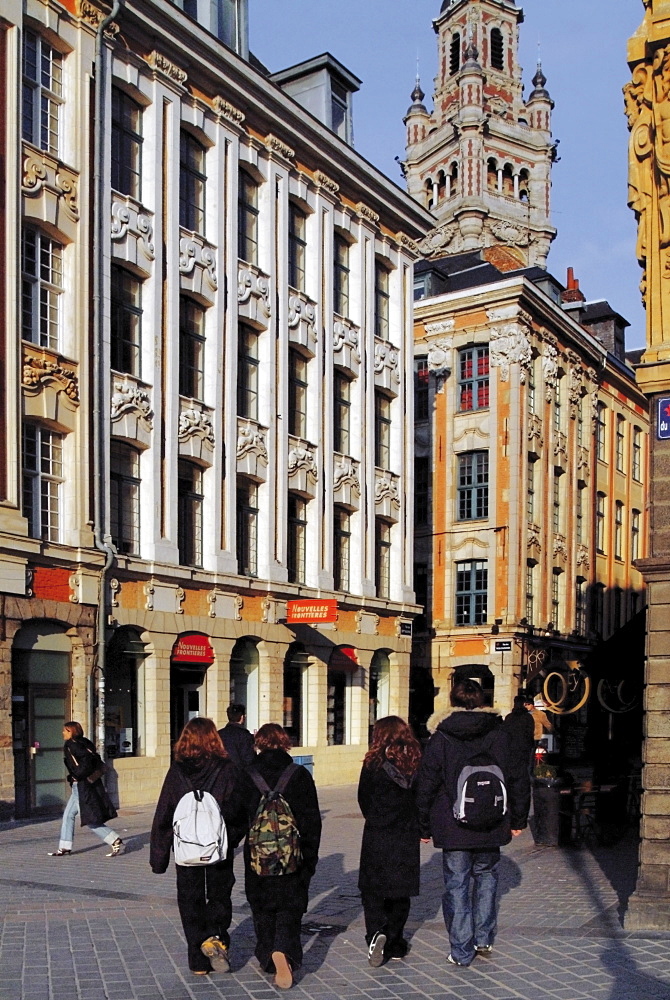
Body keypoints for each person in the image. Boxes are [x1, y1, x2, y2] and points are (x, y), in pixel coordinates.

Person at [416, 679, 530, 967]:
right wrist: (518, 819)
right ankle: (483, 938)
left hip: (452, 825)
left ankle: (461, 950)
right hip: (492, 822)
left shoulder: (441, 737)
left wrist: (423, 825)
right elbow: (517, 777)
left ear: (452, 701)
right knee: (488, 879)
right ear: (482, 701)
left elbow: (426, 783)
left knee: (456, 886)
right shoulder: (500, 733)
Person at [150, 718, 247, 976]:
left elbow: (164, 814)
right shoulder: (228, 769)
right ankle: (216, 938)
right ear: (215, 738)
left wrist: (159, 858)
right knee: (219, 895)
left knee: (190, 899)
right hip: (217, 848)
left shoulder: (177, 771)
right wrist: (231, 839)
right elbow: (239, 810)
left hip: (186, 849)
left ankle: (197, 960)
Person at [241, 723, 321, 990]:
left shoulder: (249, 774)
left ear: (259, 743)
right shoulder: (299, 774)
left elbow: (237, 817)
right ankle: (284, 950)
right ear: (285, 743)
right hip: (292, 856)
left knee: (261, 905)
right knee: (291, 905)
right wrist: (310, 858)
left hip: (257, 857)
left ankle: (267, 956)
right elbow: (312, 821)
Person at [358, 716, 422, 968]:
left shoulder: (373, 762)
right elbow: (422, 797)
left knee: (373, 890)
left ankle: (375, 933)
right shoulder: (416, 761)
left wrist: (376, 816)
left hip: (377, 833)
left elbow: (363, 798)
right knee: (400, 892)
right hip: (406, 835)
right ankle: (395, 942)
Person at [48, 721, 123, 858]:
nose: (63, 733)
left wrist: (76, 776)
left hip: (82, 785)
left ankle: (114, 839)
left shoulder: (71, 745)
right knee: (68, 815)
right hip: (84, 784)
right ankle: (64, 847)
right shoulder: (85, 742)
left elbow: (87, 761)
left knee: (89, 817)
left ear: (71, 731)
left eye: (65, 730)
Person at [503, 694, 536, 775]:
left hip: (511, 748)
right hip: (524, 748)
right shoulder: (527, 717)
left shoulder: (509, 717)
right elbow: (530, 732)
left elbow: (504, 732)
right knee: (524, 771)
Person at [218, 703, 256, 768]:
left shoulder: (219, 734)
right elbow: (249, 760)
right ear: (242, 717)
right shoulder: (245, 736)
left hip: (222, 773)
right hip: (239, 775)